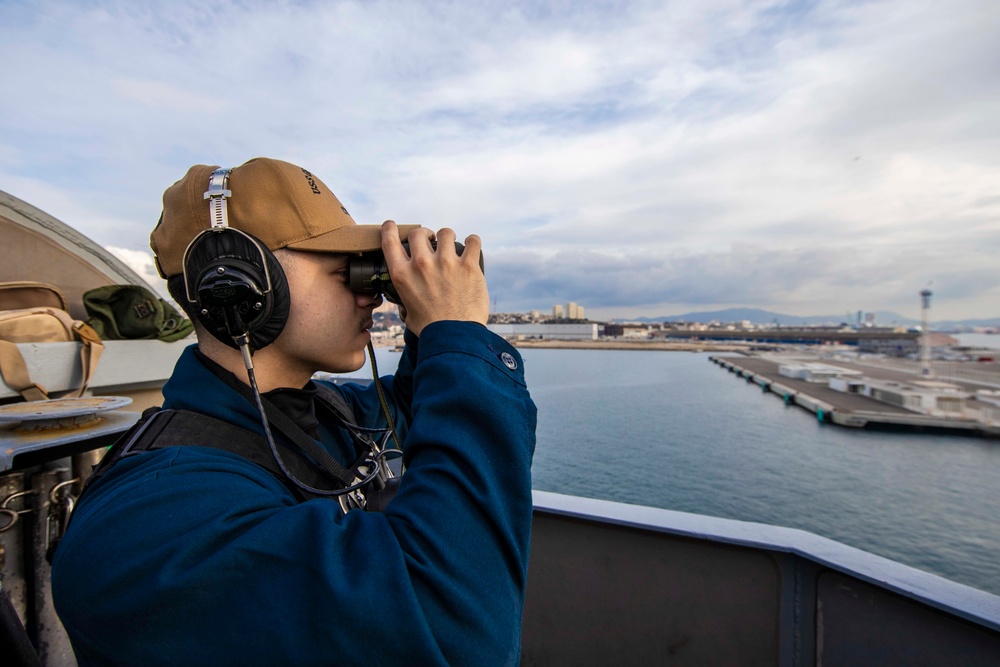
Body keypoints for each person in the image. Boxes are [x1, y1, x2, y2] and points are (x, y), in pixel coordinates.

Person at [51, 157, 537, 666]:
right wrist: (458, 334)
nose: (371, 294)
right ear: (239, 283)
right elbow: (456, 636)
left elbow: (417, 407)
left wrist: (433, 328)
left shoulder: (318, 416)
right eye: (342, 268)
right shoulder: (149, 523)